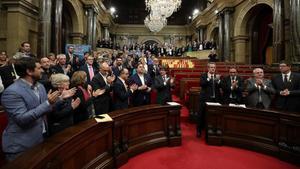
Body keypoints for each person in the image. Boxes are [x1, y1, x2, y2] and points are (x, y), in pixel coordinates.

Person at [1, 57, 61, 161]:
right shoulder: (12, 92)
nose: (42, 70)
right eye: (38, 68)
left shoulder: (40, 86)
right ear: (29, 71)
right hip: (21, 145)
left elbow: (45, 109)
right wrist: (48, 103)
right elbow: (22, 119)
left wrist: (60, 99)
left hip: (41, 139)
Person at [197, 62, 222, 137]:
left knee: (214, 115)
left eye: (214, 67)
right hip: (205, 98)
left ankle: (213, 130)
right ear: (208, 68)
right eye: (211, 67)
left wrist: (218, 81)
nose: (213, 69)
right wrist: (209, 78)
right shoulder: (204, 75)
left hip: (215, 99)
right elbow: (202, 84)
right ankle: (199, 131)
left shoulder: (217, 76)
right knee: (201, 115)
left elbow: (222, 86)